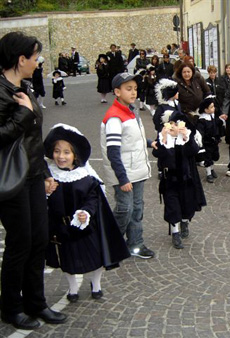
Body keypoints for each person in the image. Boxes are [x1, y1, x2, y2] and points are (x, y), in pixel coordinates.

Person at [0, 31, 67, 330]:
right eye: (35, 56)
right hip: (11, 178)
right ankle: (11, 307)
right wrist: (24, 114)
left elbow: (33, 138)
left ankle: (36, 302)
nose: (39, 62)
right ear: (20, 59)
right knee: (20, 243)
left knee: (39, 239)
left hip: (33, 174)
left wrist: (45, 173)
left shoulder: (25, 86)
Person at [43, 124, 130, 303]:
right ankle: (72, 287)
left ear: (75, 155)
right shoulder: (49, 176)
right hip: (61, 229)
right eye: (57, 151)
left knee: (95, 258)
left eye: (66, 152)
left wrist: (85, 212)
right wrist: (45, 191)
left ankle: (96, 283)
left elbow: (93, 198)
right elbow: (43, 203)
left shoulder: (86, 177)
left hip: (86, 227)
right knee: (67, 260)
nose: (61, 156)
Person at [100, 72, 155, 259]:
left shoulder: (132, 111)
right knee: (125, 209)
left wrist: (149, 142)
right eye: (128, 89)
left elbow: (132, 139)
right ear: (117, 92)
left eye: (135, 89)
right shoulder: (114, 117)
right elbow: (113, 152)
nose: (133, 93)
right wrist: (122, 179)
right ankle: (110, 242)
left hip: (137, 169)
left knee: (137, 208)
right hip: (123, 173)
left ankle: (135, 244)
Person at [152, 109, 206, 250]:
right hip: (170, 180)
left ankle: (184, 221)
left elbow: (193, 151)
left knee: (187, 205)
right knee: (172, 207)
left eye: (175, 124)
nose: (172, 126)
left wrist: (186, 138)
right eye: (170, 123)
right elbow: (157, 153)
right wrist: (163, 140)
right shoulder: (163, 138)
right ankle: (175, 233)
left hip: (186, 179)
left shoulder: (186, 138)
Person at [196, 95, 224, 183]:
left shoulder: (213, 117)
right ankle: (208, 173)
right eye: (211, 107)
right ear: (205, 109)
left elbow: (218, 123)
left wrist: (221, 120)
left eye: (213, 106)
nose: (214, 108)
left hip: (214, 141)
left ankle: (212, 169)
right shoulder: (202, 120)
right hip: (207, 142)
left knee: (214, 156)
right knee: (207, 158)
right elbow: (200, 132)